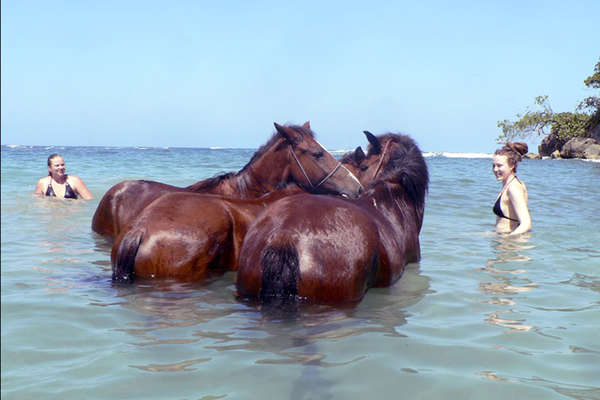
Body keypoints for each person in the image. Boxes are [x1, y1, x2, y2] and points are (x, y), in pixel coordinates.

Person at [492, 142, 531, 235]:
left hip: (509, 244)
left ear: (512, 165)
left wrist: (509, 239)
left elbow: (526, 224)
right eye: (493, 165)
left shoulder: (513, 188)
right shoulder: (509, 185)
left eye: (499, 165)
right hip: (503, 241)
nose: (495, 169)